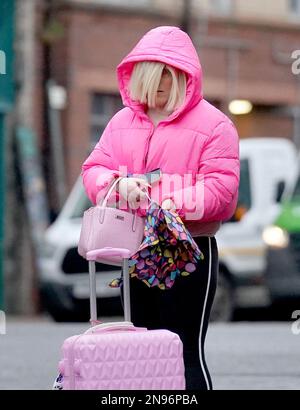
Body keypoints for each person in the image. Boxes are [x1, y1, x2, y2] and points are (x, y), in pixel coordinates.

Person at [81, 26, 240, 390]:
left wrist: (166, 201)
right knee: (139, 351)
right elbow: (94, 170)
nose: (157, 88)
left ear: (184, 76)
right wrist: (117, 185)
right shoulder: (121, 122)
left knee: (183, 353)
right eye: (150, 77)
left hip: (189, 249)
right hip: (134, 251)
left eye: (166, 77)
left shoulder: (215, 125)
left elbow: (223, 191)